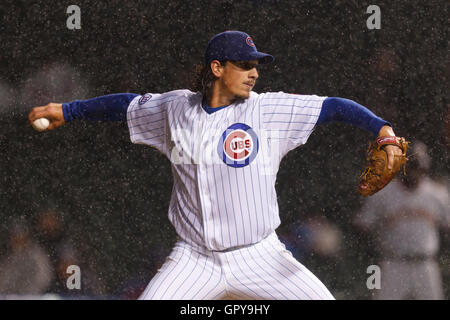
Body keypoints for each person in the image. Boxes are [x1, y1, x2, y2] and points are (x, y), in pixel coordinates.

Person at [28, 30, 404, 300]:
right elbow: (124, 104)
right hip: (194, 259)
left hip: (261, 255)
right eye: (244, 65)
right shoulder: (174, 108)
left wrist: (383, 131)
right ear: (218, 68)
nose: (254, 72)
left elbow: (334, 106)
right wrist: (68, 110)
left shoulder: (266, 109)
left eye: (256, 64)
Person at [354, 141, 449, 300]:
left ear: (425, 167)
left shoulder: (438, 193)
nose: (415, 171)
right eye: (411, 166)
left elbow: (447, 225)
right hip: (392, 263)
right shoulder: (383, 192)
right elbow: (362, 225)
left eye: (418, 166)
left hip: (426, 264)